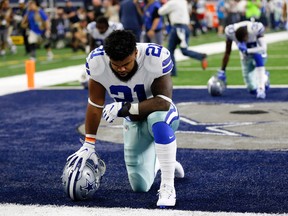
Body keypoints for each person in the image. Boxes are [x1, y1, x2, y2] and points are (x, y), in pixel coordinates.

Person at [66, 30, 185, 207]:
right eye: (116, 65)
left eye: (126, 64)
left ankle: (168, 185)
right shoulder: (97, 62)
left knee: (158, 122)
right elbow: (95, 104)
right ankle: (163, 162)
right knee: (140, 186)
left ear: (136, 53)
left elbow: (163, 102)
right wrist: (89, 143)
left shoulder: (155, 57)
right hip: (133, 120)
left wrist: (126, 108)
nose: (121, 69)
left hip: (162, 113)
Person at [217, 20, 270, 99]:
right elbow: (227, 52)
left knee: (257, 56)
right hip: (245, 57)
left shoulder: (255, 29)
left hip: (260, 53)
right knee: (251, 88)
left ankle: (261, 89)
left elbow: (263, 48)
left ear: (247, 35)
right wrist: (222, 70)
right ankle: (264, 77)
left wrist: (247, 50)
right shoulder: (230, 32)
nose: (244, 42)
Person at [158, 0, 208, 77]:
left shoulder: (173, 2)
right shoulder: (183, 1)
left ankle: (201, 56)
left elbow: (161, 11)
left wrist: (163, 5)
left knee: (175, 50)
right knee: (174, 50)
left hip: (178, 28)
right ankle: (172, 71)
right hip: (184, 27)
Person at [79, 16, 123, 88]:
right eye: (98, 28)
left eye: (102, 28)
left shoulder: (115, 28)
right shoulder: (92, 28)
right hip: (99, 48)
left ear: (107, 26)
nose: (100, 30)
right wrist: (91, 56)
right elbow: (91, 43)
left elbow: (119, 44)